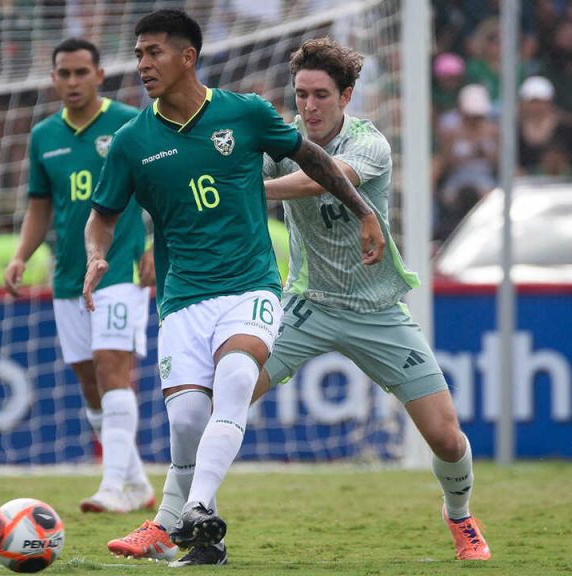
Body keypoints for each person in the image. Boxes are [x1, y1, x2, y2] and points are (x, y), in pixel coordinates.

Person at [92, 11, 384, 567]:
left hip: (251, 283)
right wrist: (96, 252)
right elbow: (102, 213)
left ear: (187, 57)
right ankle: (203, 537)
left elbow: (314, 159)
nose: (142, 64)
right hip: (182, 296)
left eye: (153, 52)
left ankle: (195, 510)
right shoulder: (132, 140)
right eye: (137, 54)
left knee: (234, 378)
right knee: (185, 420)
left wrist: (364, 211)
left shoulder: (244, 113)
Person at [253, 37, 491, 561]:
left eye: (320, 95)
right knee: (223, 396)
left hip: (379, 312)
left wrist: (255, 188)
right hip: (308, 304)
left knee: (447, 439)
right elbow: (251, 172)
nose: (309, 106)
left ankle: (461, 518)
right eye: (301, 94)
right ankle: (172, 519)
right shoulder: (283, 138)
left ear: (347, 96)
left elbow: (322, 180)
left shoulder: (370, 143)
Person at [5, 37, 155, 514]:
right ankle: (136, 484)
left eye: (80, 73)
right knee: (90, 384)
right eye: (63, 74)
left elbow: (159, 187)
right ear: (53, 78)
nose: (72, 82)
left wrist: (155, 243)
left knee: (114, 370)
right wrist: (21, 255)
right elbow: (39, 206)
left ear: (99, 75)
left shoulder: (128, 123)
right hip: (68, 276)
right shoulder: (43, 136)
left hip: (119, 268)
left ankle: (112, 487)